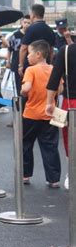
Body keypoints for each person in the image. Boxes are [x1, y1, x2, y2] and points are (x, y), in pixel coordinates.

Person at [21, 40, 61, 188]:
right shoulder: (53, 69)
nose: (27, 57)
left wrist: (23, 90)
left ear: (38, 54)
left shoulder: (30, 70)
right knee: (50, 146)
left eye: (29, 53)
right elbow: (60, 89)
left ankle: (25, 175)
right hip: (50, 114)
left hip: (31, 114)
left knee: (26, 144)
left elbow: (26, 88)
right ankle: (54, 179)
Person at [46, 39, 76, 190]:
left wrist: (49, 102)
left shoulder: (65, 51)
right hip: (70, 101)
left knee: (69, 139)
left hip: (71, 102)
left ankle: (71, 174)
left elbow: (54, 78)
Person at [18, 4, 55, 77]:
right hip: (45, 65)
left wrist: (21, 65)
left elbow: (24, 48)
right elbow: (51, 50)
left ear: (33, 15)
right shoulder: (50, 30)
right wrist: (49, 63)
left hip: (31, 65)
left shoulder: (30, 29)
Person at [7, 15, 31, 95]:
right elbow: (9, 49)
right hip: (16, 63)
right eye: (25, 22)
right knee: (17, 86)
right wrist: (8, 62)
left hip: (29, 63)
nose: (26, 24)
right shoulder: (15, 35)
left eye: (29, 23)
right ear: (21, 23)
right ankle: (18, 104)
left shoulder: (31, 34)